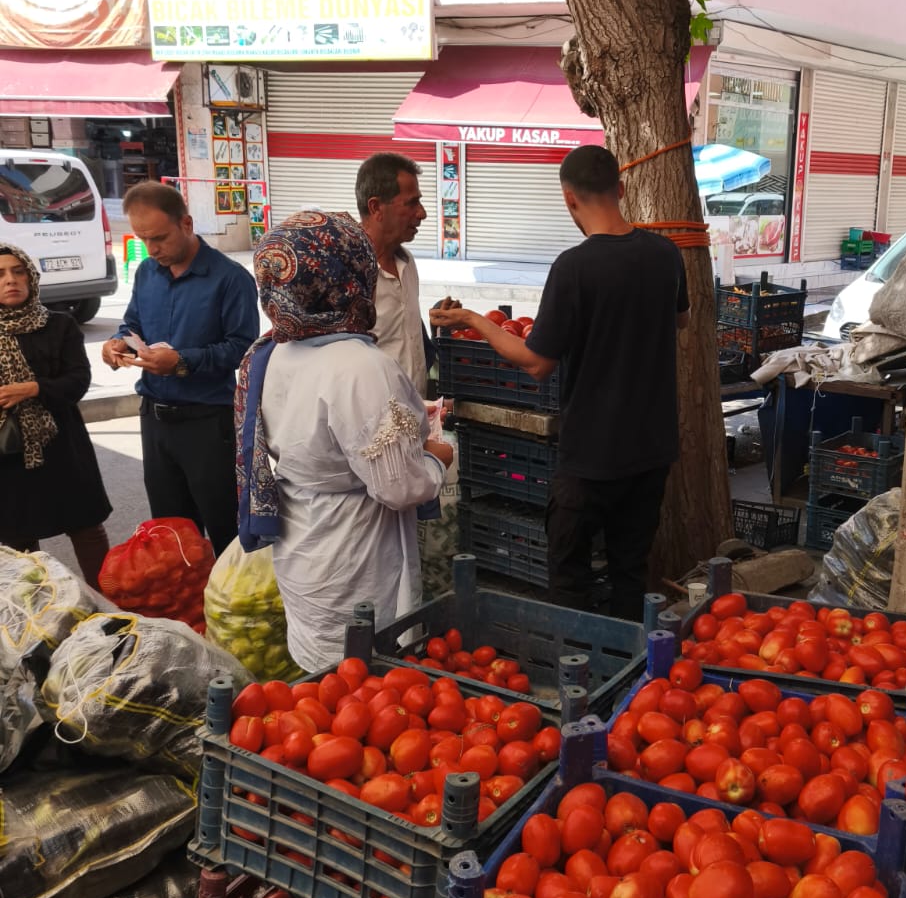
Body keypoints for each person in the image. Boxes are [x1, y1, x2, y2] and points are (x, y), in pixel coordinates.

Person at [431, 145, 688, 620]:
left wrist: (469, 317)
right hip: (652, 447)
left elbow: (535, 362)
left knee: (569, 572)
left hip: (592, 451)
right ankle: (629, 671)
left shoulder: (574, 266)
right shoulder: (665, 253)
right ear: (621, 189)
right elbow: (681, 320)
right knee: (631, 567)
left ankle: (577, 668)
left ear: (569, 199)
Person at [236, 209, 454, 673]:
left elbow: (333, 431)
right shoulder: (359, 366)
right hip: (357, 553)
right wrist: (435, 459)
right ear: (348, 276)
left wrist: (407, 419)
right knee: (365, 678)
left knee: (325, 683)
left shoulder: (271, 351)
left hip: (305, 542)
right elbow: (398, 487)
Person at [101, 181, 258, 556]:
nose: (152, 249)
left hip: (207, 421)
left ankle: (227, 609)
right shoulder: (146, 272)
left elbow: (243, 349)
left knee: (226, 534)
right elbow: (133, 323)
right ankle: (184, 612)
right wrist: (119, 342)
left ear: (186, 224)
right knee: (170, 535)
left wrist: (183, 361)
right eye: (143, 238)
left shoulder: (230, 279)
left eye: (160, 238)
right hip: (154, 419)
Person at [0, 246, 112, 586]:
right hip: (8, 454)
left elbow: (78, 381)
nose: (11, 280)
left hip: (62, 445)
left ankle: (111, 606)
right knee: (19, 542)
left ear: (31, 278)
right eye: (1, 274)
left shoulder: (59, 324)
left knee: (86, 527)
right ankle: (43, 617)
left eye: (18, 271)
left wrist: (32, 389)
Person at [356, 151, 433, 397]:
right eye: (411, 203)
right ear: (376, 207)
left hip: (413, 417)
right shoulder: (349, 273)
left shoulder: (407, 262)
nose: (422, 213)